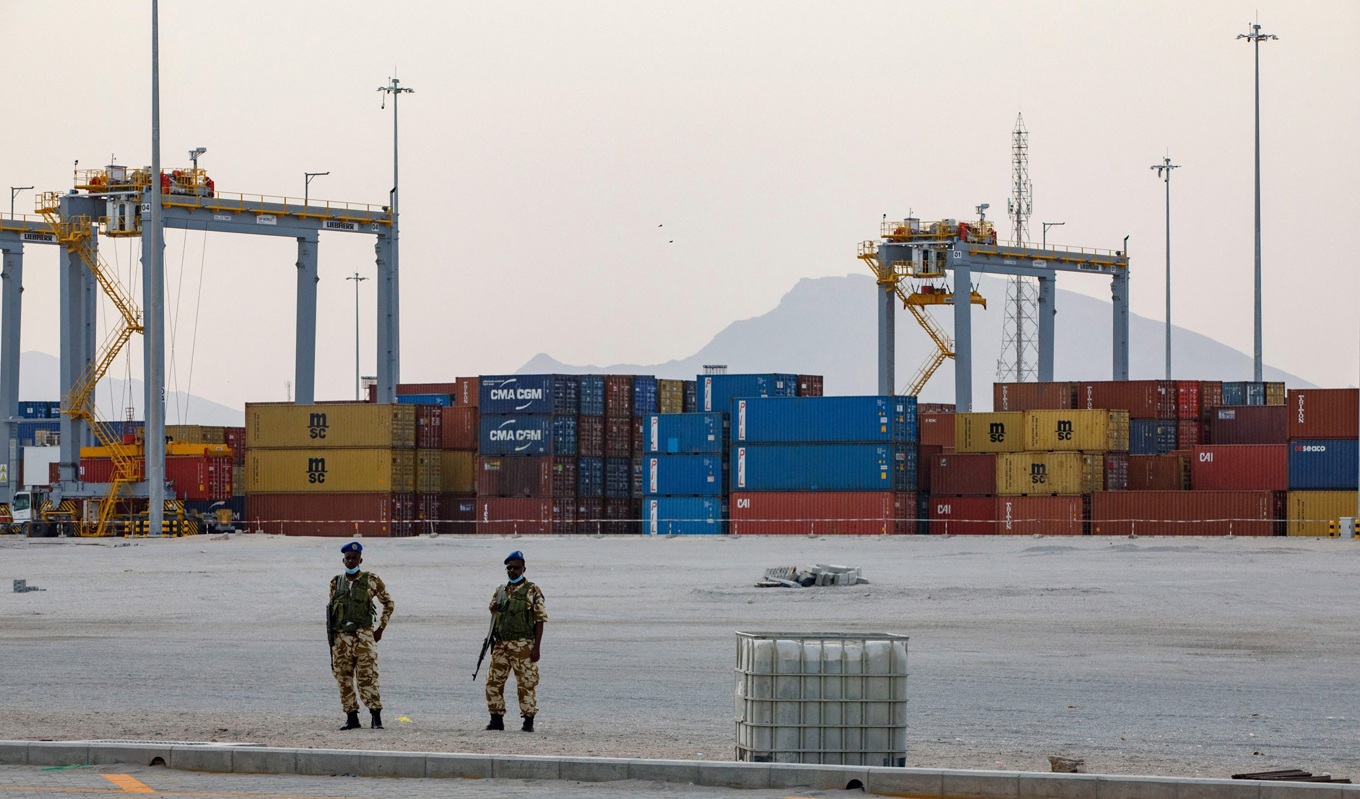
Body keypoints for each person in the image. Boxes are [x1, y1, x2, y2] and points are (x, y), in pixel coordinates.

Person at [327, 541, 393, 730]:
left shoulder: (371, 580)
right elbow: (331, 610)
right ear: (343, 560)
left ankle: (375, 717)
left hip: (364, 636)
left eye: (354, 558)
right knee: (343, 677)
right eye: (347, 558)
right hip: (341, 638)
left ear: (360, 560)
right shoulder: (335, 582)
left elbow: (388, 603)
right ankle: (351, 717)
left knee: (368, 676)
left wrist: (380, 628)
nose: (350, 561)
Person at [485, 550, 546, 732]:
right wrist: (493, 608)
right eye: (509, 568)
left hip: (523, 645)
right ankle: (496, 719)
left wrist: (536, 648)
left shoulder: (532, 590)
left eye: (516, 568)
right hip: (501, 644)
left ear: (523, 569)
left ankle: (528, 722)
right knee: (493, 682)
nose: (512, 571)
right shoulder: (501, 590)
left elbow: (540, 619)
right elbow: (496, 614)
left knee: (526, 683)